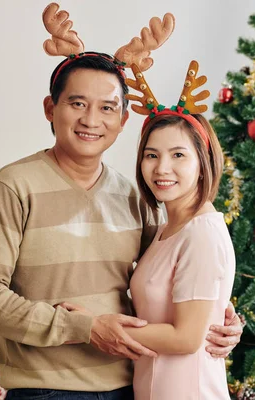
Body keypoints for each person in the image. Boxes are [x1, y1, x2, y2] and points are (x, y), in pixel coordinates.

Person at [0, 5, 242, 400]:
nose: (92, 120)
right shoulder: (11, 188)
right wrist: (83, 328)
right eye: (77, 103)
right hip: (47, 392)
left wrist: (222, 320)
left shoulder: (135, 196)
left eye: (107, 107)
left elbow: (165, 282)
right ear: (50, 109)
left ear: (123, 121)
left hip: (131, 385)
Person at [61, 58, 235, 399]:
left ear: (203, 164)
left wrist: (96, 326)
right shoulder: (166, 229)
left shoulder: (201, 232)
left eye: (178, 155)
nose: (162, 168)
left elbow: (186, 338)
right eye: (151, 155)